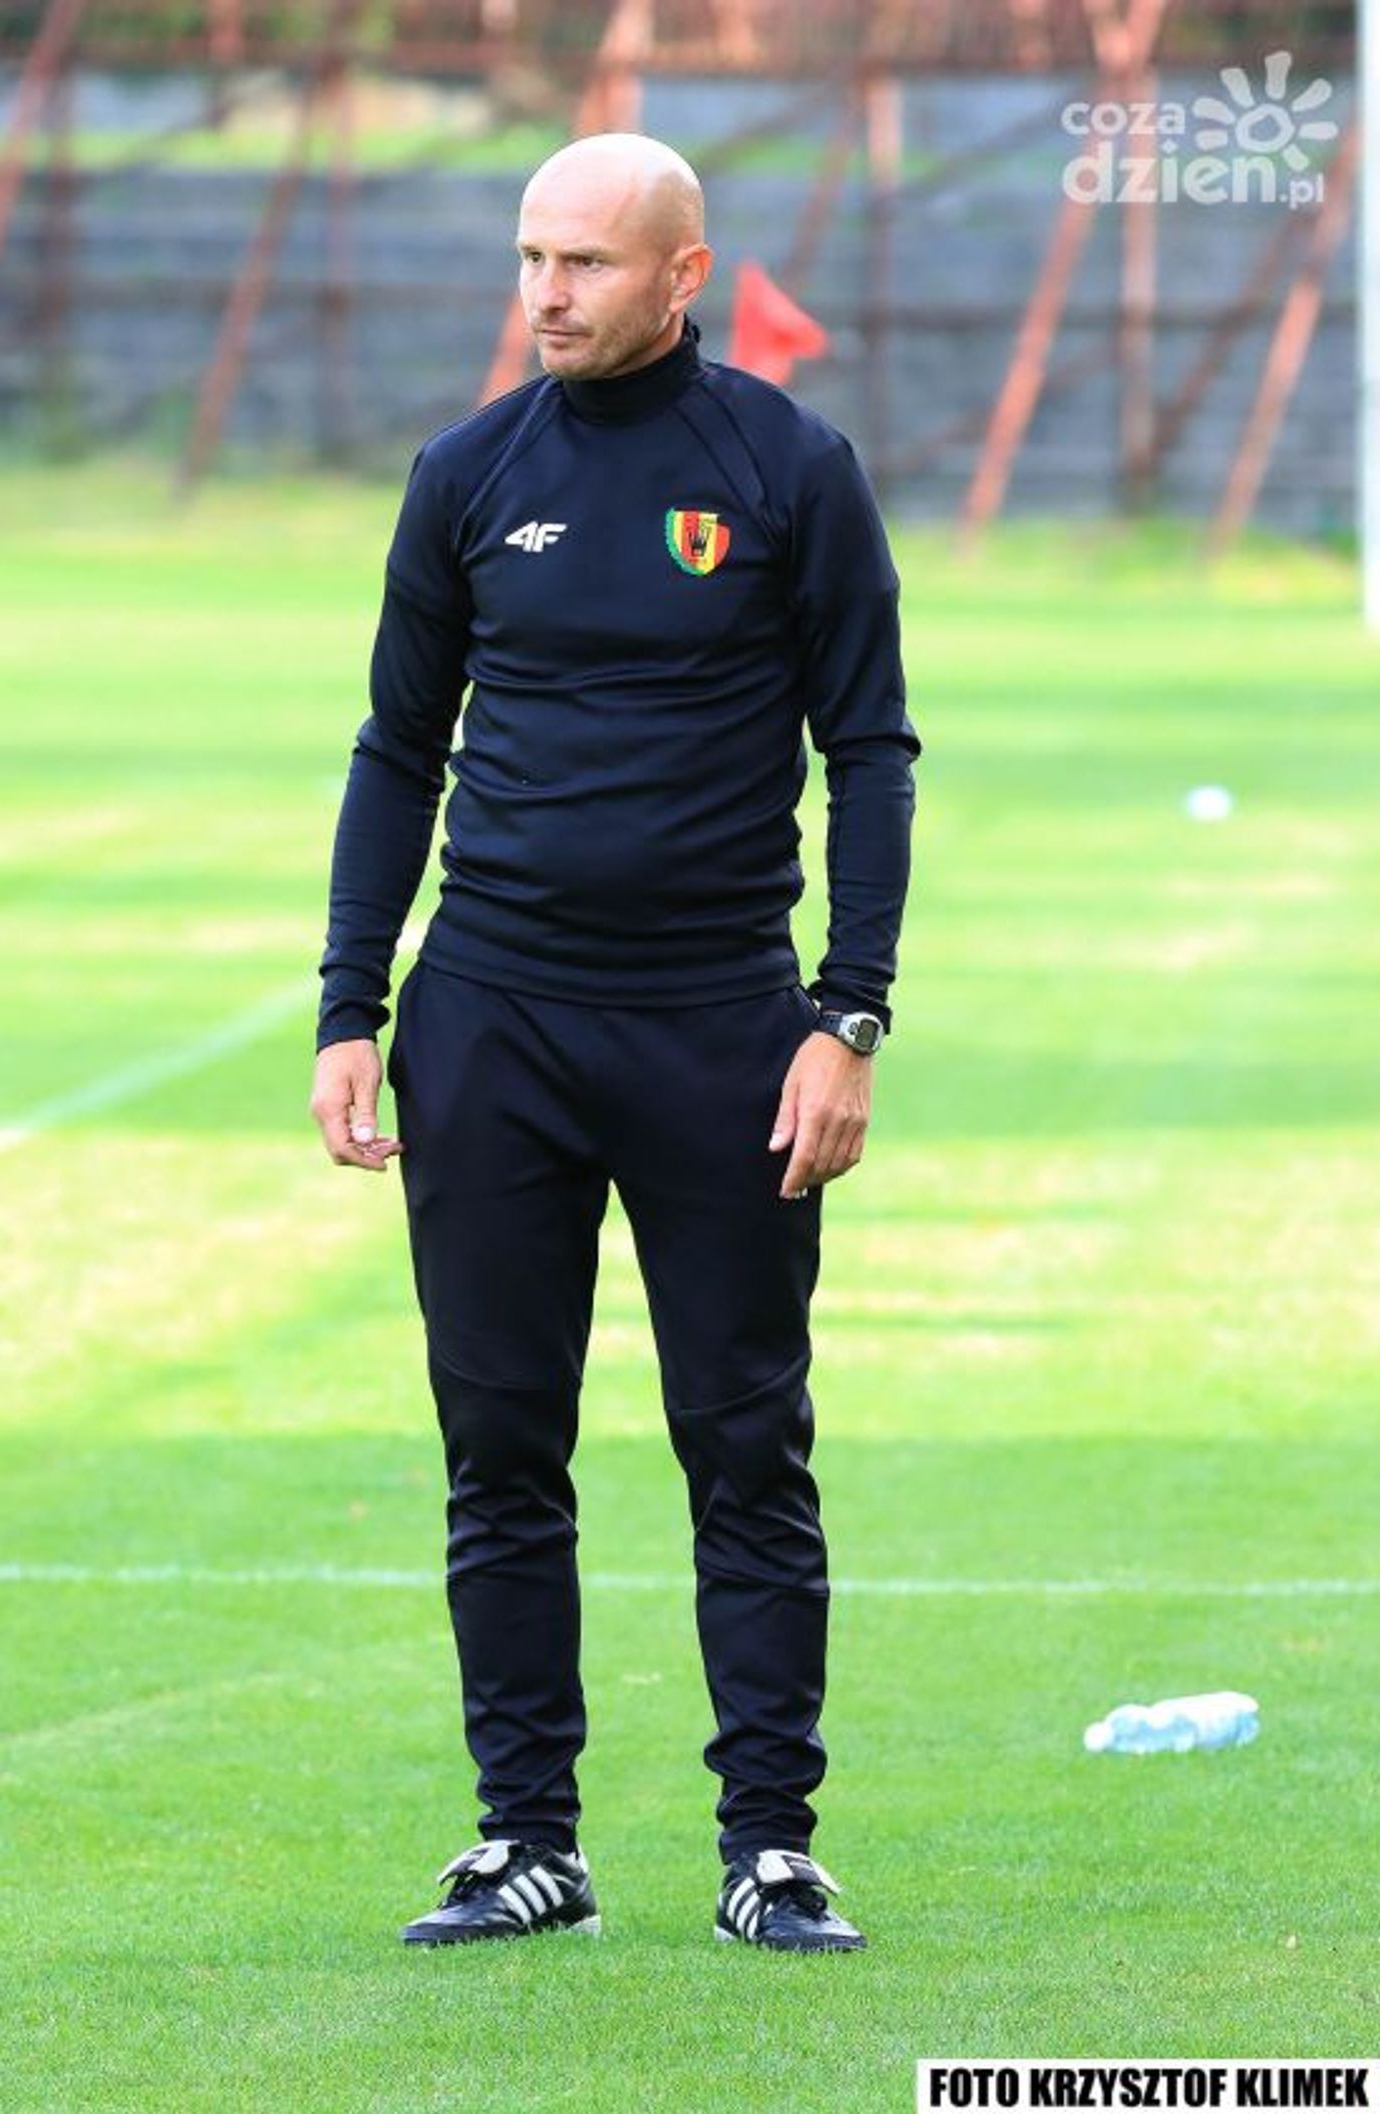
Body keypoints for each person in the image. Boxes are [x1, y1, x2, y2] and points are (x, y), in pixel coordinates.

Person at [309, 132, 920, 1953]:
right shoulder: (466, 475)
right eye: (530, 258)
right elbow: (395, 749)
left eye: (583, 261)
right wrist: (350, 1006)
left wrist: (847, 1015)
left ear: (681, 273)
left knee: (744, 1439)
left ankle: (769, 1845)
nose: (547, 293)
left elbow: (868, 751)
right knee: (499, 1439)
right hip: (489, 1020)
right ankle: (526, 1838)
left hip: (718, 1025)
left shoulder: (787, 469)